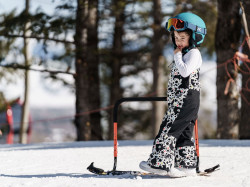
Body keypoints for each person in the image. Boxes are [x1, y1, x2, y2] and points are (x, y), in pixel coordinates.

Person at [139, 12, 207, 177]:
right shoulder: (185, 54)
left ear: (194, 37)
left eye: (182, 38)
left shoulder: (193, 53)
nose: (178, 42)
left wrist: (176, 56)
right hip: (183, 99)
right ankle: (187, 166)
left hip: (185, 99)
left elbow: (184, 73)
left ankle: (159, 164)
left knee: (168, 129)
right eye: (176, 38)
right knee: (184, 132)